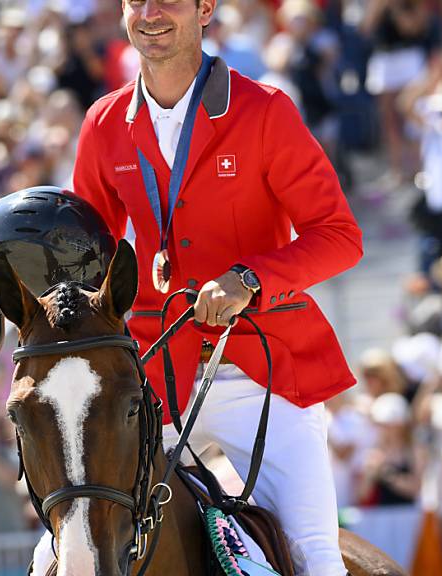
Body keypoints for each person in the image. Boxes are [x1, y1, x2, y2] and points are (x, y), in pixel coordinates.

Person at [67, 1, 363, 573]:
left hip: (264, 368)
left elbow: (340, 236)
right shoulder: (103, 123)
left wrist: (251, 279)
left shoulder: (266, 110)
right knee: (75, 546)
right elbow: (86, 259)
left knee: (315, 558)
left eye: (169, 0)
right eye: (136, 0)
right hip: (155, 377)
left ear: (205, 9)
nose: (150, 13)